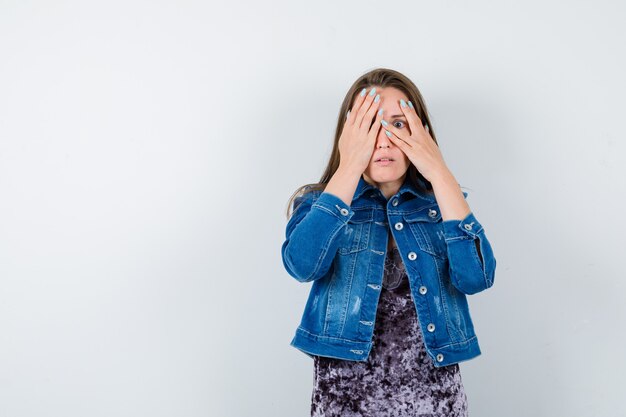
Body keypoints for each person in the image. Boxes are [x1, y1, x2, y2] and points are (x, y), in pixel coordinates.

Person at [281, 68, 497, 417]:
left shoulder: (441, 206)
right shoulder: (321, 204)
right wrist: (349, 166)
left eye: (398, 124)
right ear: (348, 135)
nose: (383, 140)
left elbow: (476, 278)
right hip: (344, 401)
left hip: (435, 401)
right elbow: (302, 265)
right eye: (369, 126)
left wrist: (440, 174)